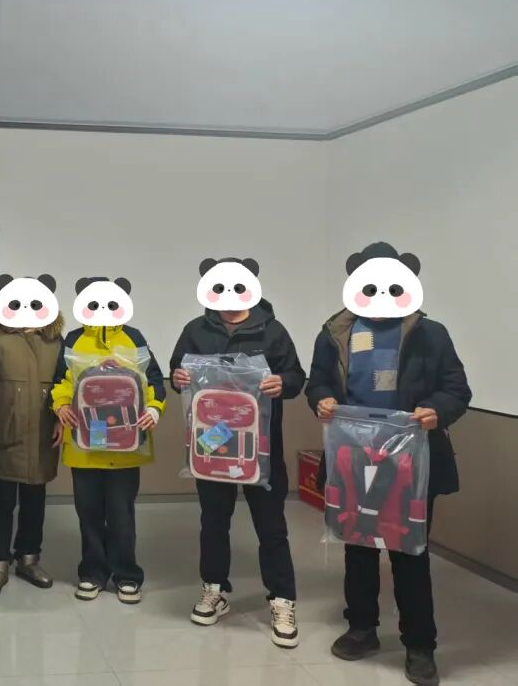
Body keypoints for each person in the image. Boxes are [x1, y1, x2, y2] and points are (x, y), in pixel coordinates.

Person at [306, 242, 471, 686]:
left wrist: (437, 410)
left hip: (413, 459)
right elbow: (317, 382)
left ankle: (420, 645)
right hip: (352, 454)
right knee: (358, 545)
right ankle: (362, 629)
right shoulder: (334, 332)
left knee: (409, 551)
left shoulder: (430, 333)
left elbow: (457, 389)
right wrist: (321, 400)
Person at [169, 257, 305, 648]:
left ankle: (282, 599)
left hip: (260, 446)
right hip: (211, 444)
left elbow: (296, 376)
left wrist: (283, 382)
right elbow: (179, 372)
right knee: (214, 522)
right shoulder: (195, 330)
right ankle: (214, 589)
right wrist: (179, 378)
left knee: (271, 526)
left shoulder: (272, 330)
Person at [51, 277, 165, 605]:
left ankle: (127, 575)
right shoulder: (73, 339)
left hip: (126, 444)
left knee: (121, 514)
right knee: (88, 513)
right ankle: (92, 573)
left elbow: (154, 380)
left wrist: (154, 409)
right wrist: (60, 405)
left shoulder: (134, 337)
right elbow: (60, 380)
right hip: (83, 443)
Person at [0, 273, 64, 597]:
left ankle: (29, 558)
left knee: (35, 500)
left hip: (42, 433)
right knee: (1, 500)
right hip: (3, 432)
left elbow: (63, 384)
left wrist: (61, 418)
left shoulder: (54, 340)